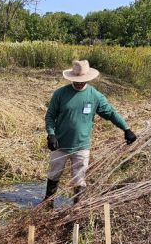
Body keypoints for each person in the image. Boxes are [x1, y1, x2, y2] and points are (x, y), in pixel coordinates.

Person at [43, 60, 137, 204]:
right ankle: (48, 204)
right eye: (77, 80)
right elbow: (50, 116)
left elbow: (111, 113)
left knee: (79, 179)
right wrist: (51, 134)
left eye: (83, 80)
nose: (80, 83)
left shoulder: (95, 96)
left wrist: (126, 129)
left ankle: (76, 207)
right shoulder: (60, 94)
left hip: (82, 146)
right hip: (59, 144)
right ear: (71, 78)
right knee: (54, 174)